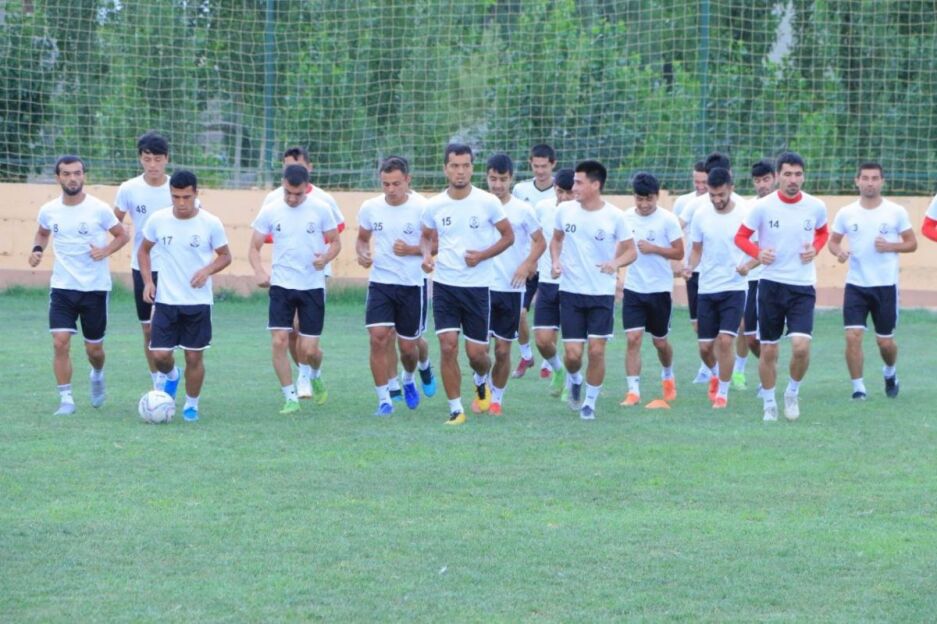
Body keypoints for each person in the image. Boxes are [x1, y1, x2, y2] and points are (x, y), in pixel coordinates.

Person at [420, 143, 514, 425]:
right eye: (454, 166)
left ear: (472, 168)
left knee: (477, 355)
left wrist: (482, 255)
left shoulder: (488, 202)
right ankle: (455, 409)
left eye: (465, 166)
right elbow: (426, 237)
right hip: (445, 286)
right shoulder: (434, 205)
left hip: (478, 287)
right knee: (447, 346)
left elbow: (508, 237)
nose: (460, 171)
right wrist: (426, 256)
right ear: (445, 169)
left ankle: (481, 378)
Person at [29, 155, 129, 415]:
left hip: (95, 288)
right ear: (58, 178)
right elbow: (42, 232)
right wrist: (37, 249)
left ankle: (97, 373)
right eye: (66, 174)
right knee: (60, 341)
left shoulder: (99, 209)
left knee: (94, 349)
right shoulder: (49, 210)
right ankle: (66, 400)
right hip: (62, 287)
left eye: (77, 173)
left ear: (83, 176)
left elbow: (122, 235)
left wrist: (105, 251)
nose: (72, 178)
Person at [735, 151, 829, 422]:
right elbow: (741, 237)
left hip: (802, 286)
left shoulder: (816, 206)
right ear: (778, 176)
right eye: (787, 174)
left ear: (804, 177)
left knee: (800, 347)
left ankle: (792, 392)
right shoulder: (763, 207)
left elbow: (823, 232)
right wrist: (758, 253)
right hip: (771, 286)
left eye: (798, 174)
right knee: (769, 349)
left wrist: (816, 248)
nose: (793, 179)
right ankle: (769, 403)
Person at [139, 170, 232, 422]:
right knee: (160, 355)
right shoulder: (158, 220)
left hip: (197, 302)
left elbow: (225, 256)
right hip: (166, 301)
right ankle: (171, 376)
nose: (181, 203)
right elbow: (143, 251)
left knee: (193, 356)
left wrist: (207, 270)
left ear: (196, 194)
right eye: (176, 197)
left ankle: (191, 405)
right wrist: (148, 281)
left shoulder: (210, 223)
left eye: (186, 197)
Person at [249, 164, 341, 413]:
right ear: (283, 184)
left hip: (312, 286)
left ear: (306, 188)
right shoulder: (271, 210)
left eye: (297, 194)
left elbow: (335, 242)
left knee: (309, 351)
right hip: (281, 286)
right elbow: (254, 247)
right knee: (279, 341)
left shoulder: (321, 209)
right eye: (288, 192)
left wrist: (326, 257)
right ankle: (290, 397)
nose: (292, 198)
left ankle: (315, 375)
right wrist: (259, 270)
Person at [550, 160, 636, 420]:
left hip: (601, 293)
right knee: (573, 355)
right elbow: (556, 240)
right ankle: (575, 379)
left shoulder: (615, 216)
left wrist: (615, 263)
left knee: (597, 351)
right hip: (571, 292)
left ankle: (589, 403)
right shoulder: (564, 211)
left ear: (595, 185)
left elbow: (631, 251)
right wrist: (555, 261)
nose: (573, 187)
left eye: (578, 182)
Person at [355, 156, 437, 416]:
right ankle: (384, 400)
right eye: (385, 184)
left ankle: (413, 375)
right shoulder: (370, 207)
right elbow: (362, 238)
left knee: (409, 347)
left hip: (412, 285)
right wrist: (362, 254)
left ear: (408, 180)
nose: (390, 189)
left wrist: (413, 250)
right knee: (378, 338)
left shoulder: (423, 207)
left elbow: (436, 244)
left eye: (396, 184)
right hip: (381, 282)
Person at [827, 162, 916, 399]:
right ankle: (858, 388)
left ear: (882, 182)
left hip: (885, 286)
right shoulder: (847, 213)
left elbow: (911, 243)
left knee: (885, 343)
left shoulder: (896, 212)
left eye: (875, 178)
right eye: (865, 178)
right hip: (856, 285)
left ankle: (890, 371)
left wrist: (890, 246)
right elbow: (833, 241)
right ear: (857, 181)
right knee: (852, 335)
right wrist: (839, 252)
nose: (869, 183)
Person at [684, 168, 757, 408]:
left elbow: (759, 249)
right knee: (705, 347)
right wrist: (689, 266)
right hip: (706, 288)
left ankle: (722, 393)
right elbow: (696, 250)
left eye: (721, 195)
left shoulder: (746, 214)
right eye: (712, 195)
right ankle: (716, 375)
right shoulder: (701, 214)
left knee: (725, 341)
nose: (717, 200)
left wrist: (747, 266)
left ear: (731, 189)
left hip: (735, 287)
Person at [482, 153, 546, 415]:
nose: (497, 184)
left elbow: (540, 241)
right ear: (486, 177)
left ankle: (496, 399)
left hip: (511, 288)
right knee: (478, 350)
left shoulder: (523, 210)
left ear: (511, 179)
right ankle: (480, 388)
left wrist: (527, 264)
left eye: (503, 179)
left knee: (502, 349)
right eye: (493, 179)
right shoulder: (478, 204)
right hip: (480, 287)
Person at [113, 132, 174, 387]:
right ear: (140, 158)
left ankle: (170, 372)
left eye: (157, 159)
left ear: (166, 159)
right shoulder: (129, 189)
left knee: (169, 328)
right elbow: (113, 221)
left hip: (173, 269)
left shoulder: (176, 188)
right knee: (148, 329)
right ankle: (157, 382)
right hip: (143, 267)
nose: (152, 165)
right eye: (147, 159)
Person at [619, 172, 685, 406]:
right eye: (640, 199)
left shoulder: (668, 220)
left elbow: (679, 252)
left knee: (660, 342)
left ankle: (668, 375)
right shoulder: (625, 218)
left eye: (649, 199)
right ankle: (633, 392)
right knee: (633, 338)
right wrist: (614, 268)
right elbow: (620, 248)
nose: (644, 204)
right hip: (634, 288)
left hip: (659, 290)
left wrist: (654, 248)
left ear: (657, 197)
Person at [679, 153, 734, 385]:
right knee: (699, 327)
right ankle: (710, 368)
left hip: (732, 279)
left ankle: (730, 374)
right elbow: (677, 227)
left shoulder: (741, 206)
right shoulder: (695, 205)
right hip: (699, 274)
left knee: (729, 333)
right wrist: (685, 263)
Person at [511, 144, 557, 378]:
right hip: (527, 262)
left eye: (544, 166)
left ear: (553, 165)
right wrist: (529, 261)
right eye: (535, 166)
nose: (539, 171)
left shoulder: (561, 190)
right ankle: (526, 354)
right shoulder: (520, 190)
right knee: (519, 313)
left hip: (551, 264)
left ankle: (548, 361)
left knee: (551, 317)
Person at [732, 159, 776, 390]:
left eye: (766, 179)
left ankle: (766, 376)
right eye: (757, 181)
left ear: (775, 179)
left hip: (768, 279)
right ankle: (740, 371)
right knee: (744, 330)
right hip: (746, 279)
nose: (762, 185)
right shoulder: (746, 208)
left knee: (763, 336)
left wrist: (750, 264)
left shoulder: (781, 207)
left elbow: (770, 249)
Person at [532, 168, 575, 398]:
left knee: (572, 344)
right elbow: (535, 238)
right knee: (542, 340)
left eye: (570, 193)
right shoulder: (542, 208)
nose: (564, 197)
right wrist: (530, 262)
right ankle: (558, 369)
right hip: (547, 282)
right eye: (560, 192)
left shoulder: (583, 213)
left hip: (574, 286)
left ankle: (572, 382)